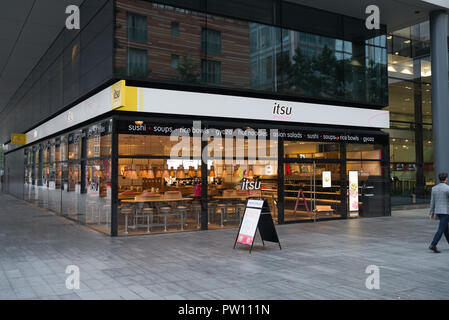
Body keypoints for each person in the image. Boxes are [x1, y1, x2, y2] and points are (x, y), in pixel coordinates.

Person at [429, 172, 449, 253]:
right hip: (446, 212)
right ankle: (433, 244)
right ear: (446, 179)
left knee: (446, 230)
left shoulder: (434, 188)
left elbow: (432, 202)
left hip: (439, 212)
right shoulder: (448, 188)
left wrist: (431, 213)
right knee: (441, 230)